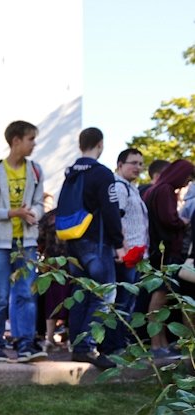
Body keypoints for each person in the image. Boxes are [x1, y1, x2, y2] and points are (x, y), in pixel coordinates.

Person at [0, 120, 46, 362]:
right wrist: (13, 213)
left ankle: (25, 344)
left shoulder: (35, 170)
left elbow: (39, 204)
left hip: (26, 241)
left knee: (26, 293)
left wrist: (33, 213)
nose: (34, 144)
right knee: (0, 295)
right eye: (31, 139)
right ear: (16, 141)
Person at [61, 127, 125, 369]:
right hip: (96, 243)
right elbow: (110, 210)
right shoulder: (102, 173)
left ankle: (77, 346)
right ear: (100, 144)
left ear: (80, 145)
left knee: (80, 294)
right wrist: (118, 242)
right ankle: (87, 347)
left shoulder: (71, 173)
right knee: (104, 294)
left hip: (73, 240)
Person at [102, 148, 150, 355]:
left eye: (140, 163)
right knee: (121, 301)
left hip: (135, 255)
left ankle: (120, 342)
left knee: (127, 302)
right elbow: (116, 218)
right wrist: (121, 247)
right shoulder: (120, 188)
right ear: (120, 165)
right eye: (133, 163)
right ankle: (113, 345)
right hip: (126, 255)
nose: (138, 167)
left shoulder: (131, 188)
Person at [146, 159, 195, 354]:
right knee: (160, 297)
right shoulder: (165, 190)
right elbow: (169, 220)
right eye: (187, 178)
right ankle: (156, 343)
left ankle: (162, 342)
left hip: (161, 251)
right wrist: (183, 222)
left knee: (163, 296)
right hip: (166, 253)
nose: (187, 183)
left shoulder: (157, 189)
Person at [36, 193, 70, 352]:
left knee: (51, 301)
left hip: (51, 265)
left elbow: (39, 241)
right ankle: (70, 338)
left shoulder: (48, 217)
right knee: (71, 300)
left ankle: (49, 338)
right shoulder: (75, 215)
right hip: (71, 264)